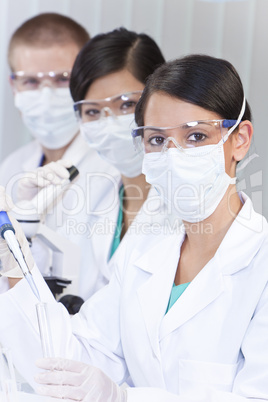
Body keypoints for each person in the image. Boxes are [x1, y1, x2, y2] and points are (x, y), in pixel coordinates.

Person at [1, 54, 267, 402]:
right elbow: (69, 357)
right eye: (157, 140)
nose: (174, 155)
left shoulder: (259, 263)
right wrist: (10, 244)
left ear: (240, 139)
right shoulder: (145, 249)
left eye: (196, 136)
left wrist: (124, 398)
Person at [10, 27, 168, 303]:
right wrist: (20, 237)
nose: (110, 123)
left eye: (127, 105)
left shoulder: (185, 202)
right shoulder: (100, 195)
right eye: (93, 111)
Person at [0, 13, 120, 301]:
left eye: (62, 79)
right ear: (13, 86)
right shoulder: (13, 166)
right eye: (30, 81)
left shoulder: (115, 169)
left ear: (85, 82)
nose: (45, 95)